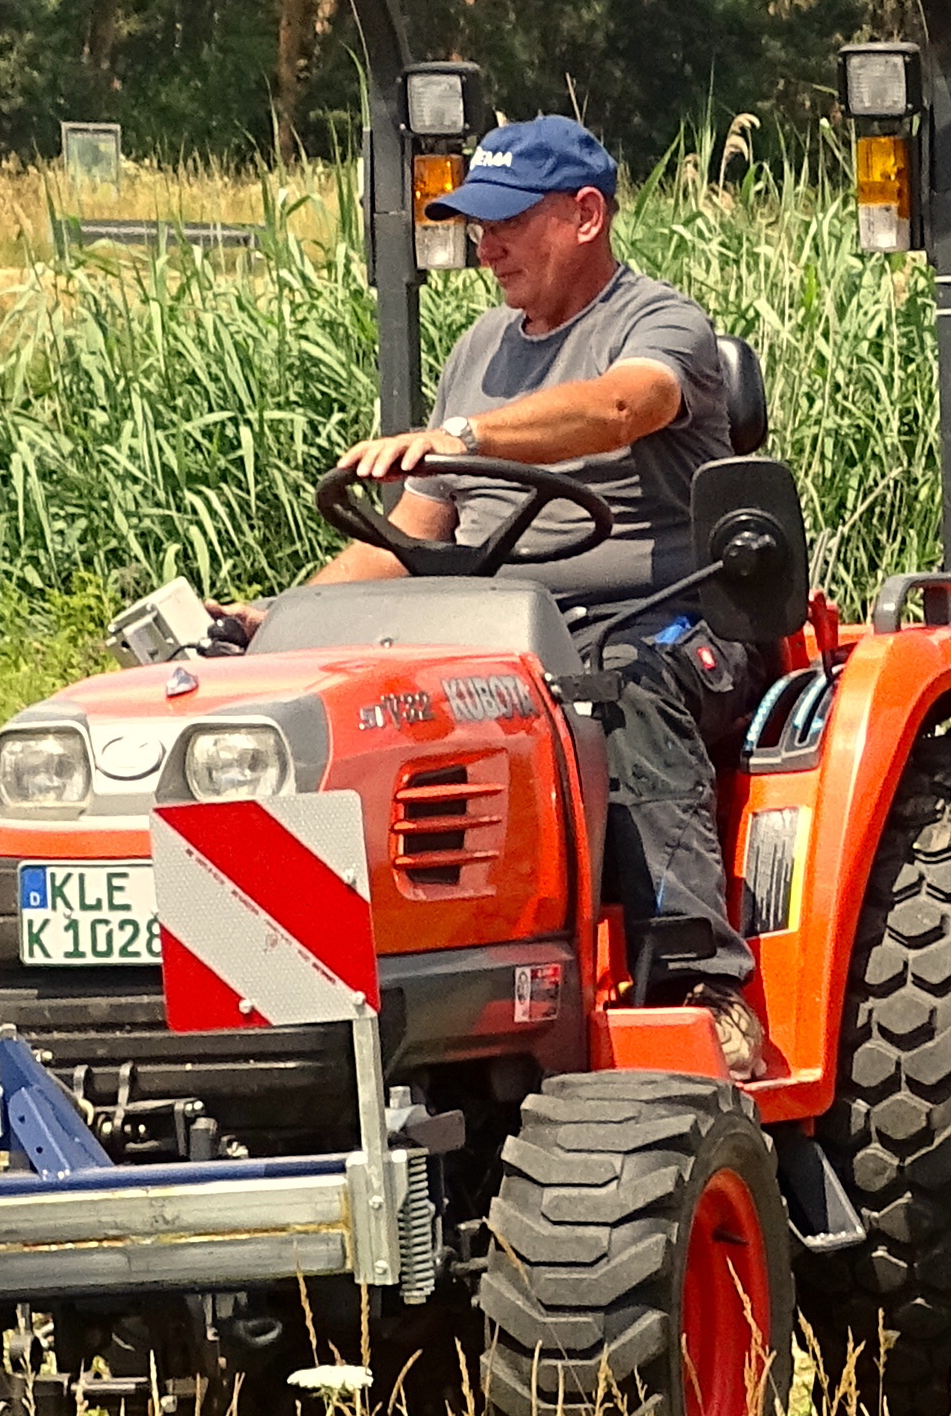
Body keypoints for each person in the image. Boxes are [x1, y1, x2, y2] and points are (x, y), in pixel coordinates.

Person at [262, 114, 761, 1035]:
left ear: (583, 215)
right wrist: (279, 624)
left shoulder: (659, 322)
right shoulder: (478, 348)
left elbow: (621, 407)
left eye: (507, 222)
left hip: (664, 622)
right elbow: (415, 532)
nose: (484, 246)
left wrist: (466, 435)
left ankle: (701, 986)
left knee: (623, 689)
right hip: (496, 636)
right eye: (475, 223)